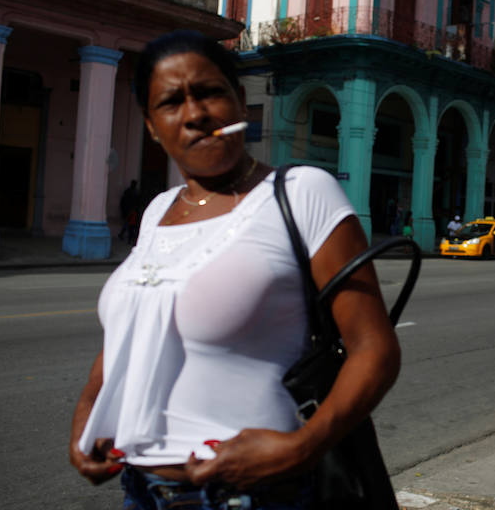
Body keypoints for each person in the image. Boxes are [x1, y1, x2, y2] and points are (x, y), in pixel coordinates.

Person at [68, 31, 401, 510]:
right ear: (151, 124)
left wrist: (302, 448)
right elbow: (129, 334)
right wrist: (86, 419)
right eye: (170, 102)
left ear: (240, 102)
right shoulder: (158, 211)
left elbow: (375, 347)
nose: (195, 115)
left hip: (257, 495)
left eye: (209, 92)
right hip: (142, 491)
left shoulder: (302, 192)